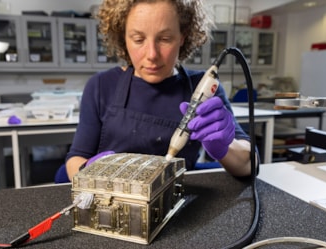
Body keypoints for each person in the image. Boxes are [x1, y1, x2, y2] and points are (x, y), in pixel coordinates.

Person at [61, 0, 257, 182]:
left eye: (164, 39)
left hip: (178, 204)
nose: (152, 55)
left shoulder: (203, 90)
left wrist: (226, 147)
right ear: (123, 37)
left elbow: (250, 164)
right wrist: (89, 170)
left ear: (183, 37)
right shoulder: (101, 86)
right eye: (138, 39)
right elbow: (74, 160)